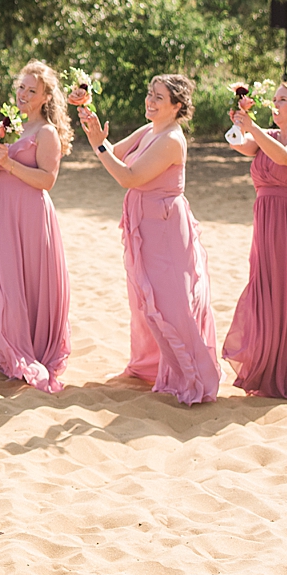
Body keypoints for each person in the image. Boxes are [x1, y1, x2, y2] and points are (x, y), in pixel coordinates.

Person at [79, 75, 220, 405]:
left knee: (172, 303)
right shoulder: (150, 129)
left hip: (165, 228)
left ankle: (193, 375)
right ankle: (151, 365)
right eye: (149, 93)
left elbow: (129, 177)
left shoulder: (172, 139)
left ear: (177, 106)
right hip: (144, 225)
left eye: (159, 97)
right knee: (145, 299)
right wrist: (93, 128)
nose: (150, 101)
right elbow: (113, 153)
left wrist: (100, 145)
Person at [0, 62, 73, 393]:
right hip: (3, 215)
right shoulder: (9, 127)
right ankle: (10, 351)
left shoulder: (46, 133)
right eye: (21, 87)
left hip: (31, 217)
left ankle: (28, 352)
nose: (24, 94)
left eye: (32, 90)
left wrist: (9, 162)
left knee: (29, 284)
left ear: (46, 97)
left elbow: (47, 180)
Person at [223, 82, 287, 401]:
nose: (275, 104)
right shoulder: (267, 139)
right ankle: (265, 367)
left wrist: (254, 126)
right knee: (266, 290)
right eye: (273, 99)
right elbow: (237, 143)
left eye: (282, 99)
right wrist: (239, 121)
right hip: (266, 222)